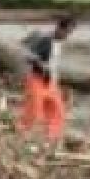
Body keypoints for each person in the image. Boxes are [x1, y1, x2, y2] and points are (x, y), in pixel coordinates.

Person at [19, 16, 77, 144]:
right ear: (59, 28)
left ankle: (51, 139)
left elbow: (53, 63)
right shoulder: (45, 40)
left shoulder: (59, 43)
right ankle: (25, 139)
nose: (67, 35)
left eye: (70, 32)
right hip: (36, 80)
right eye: (67, 32)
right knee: (33, 112)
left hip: (51, 82)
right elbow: (28, 55)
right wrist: (40, 64)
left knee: (58, 111)